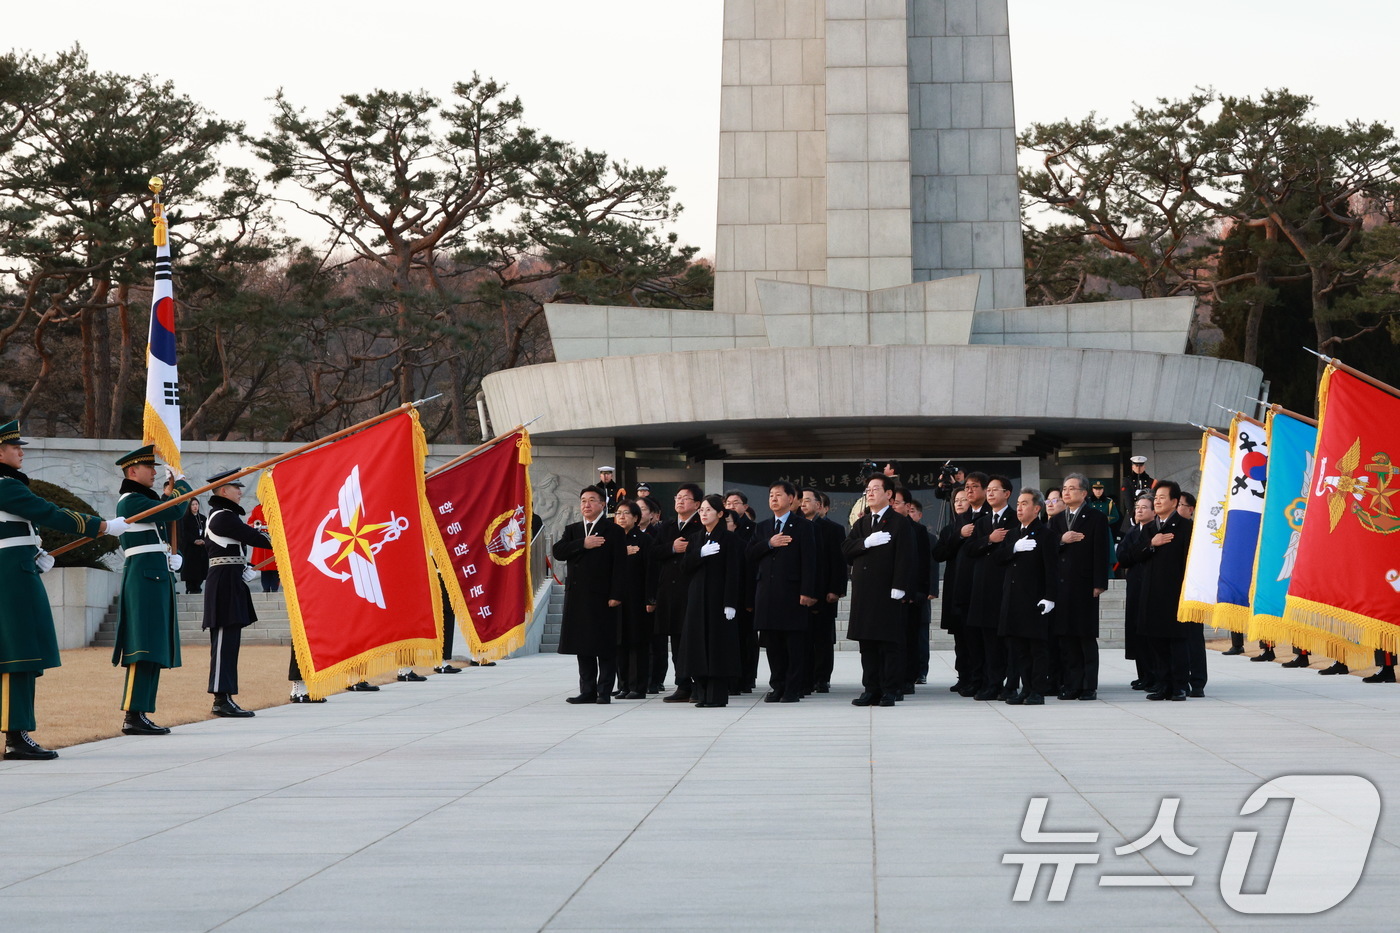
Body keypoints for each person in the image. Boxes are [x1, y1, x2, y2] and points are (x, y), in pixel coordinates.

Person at [0, 420, 121, 759]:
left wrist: (33, 552)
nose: (21, 452)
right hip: (12, 577)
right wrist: (102, 526)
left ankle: (17, 732)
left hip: (18, 570)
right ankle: (15, 736)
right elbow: (49, 511)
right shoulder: (5, 485)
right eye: (14, 447)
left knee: (21, 653)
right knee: (17, 655)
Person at [112, 445, 191, 735]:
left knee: (153, 647)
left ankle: (141, 711)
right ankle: (133, 715)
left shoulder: (142, 500)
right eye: (150, 468)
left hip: (155, 576)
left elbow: (166, 511)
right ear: (133, 472)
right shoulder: (131, 501)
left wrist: (168, 554)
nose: (155, 473)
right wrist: (181, 483)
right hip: (144, 579)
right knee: (141, 647)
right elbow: (175, 510)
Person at [201, 469, 271, 718]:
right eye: (235, 488)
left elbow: (239, 547)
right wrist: (286, 535)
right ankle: (220, 698)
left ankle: (226, 695)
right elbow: (254, 537)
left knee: (230, 641)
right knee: (223, 641)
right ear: (223, 491)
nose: (240, 492)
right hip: (223, 584)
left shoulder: (227, 516)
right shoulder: (223, 516)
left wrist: (245, 567)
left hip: (231, 580)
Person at [842, 475, 916, 707]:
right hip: (865, 593)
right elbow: (845, 549)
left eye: (876, 489)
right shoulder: (862, 524)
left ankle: (890, 690)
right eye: (868, 489)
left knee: (888, 644)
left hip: (887, 592)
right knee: (868, 645)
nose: (870, 493)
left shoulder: (899, 522)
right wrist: (866, 542)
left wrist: (900, 586)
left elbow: (906, 557)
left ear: (889, 494)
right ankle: (870, 689)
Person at [552, 486, 625, 704]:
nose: (586, 504)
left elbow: (620, 565)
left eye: (592, 500)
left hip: (603, 596)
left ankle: (604, 692)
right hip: (578, 596)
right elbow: (558, 551)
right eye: (583, 500)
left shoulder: (613, 530)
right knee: (582, 645)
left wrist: (616, 593)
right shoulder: (573, 530)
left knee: (604, 646)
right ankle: (587, 690)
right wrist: (583, 544)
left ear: (602, 504)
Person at [748, 481, 818, 703]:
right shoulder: (762, 527)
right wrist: (769, 543)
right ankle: (777, 685)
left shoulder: (804, 526)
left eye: (778, 495)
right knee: (773, 644)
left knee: (793, 645)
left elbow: (810, 562)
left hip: (792, 592)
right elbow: (749, 554)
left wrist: (807, 591)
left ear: (791, 499)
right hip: (767, 594)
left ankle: (792, 687)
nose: (773, 499)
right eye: (770, 495)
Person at [1126, 481, 1193, 701]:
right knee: (1156, 641)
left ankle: (1180, 686)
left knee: (1176, 641)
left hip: (1174, 593)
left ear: (1174, 502)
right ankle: (1163, 685)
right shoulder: (1150, 527)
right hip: (1150, 592)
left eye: (1162, 497)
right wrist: (1151, 543)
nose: (1157, 500)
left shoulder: (1185, 527)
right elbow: (1134, 555)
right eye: (1156, 497)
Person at [1049, 473, 1110, 701]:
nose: (1066, 492)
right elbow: (1048, 549)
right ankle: (1071, 684)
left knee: (1084, 637)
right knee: (1066, 638)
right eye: (1064, 488)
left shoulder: (1096, 518)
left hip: (1084, 585)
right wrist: (1062, 540)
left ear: (1084, 493)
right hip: (1061, 586)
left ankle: (1088, 686)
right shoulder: (1056, 520)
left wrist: (1099, 583)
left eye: (1072, 488)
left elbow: (1101, 552)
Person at [681, 494, 743, 707]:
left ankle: (716, 696)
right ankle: (702, 692)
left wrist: (730, 602)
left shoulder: (730, 538)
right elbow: (685, 566)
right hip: (698, 599)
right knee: (698, 646)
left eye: (708, 510)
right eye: (702, 510)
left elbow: (733, 572)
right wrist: (700, 553)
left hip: (719, 601)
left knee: (717, 647)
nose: (704, 513)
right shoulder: (696, 538)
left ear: (720, 513)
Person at [998, 488, 1058, 705]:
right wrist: (1014, 547)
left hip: (1035, 600)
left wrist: (1050, 597)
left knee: (1037, 648)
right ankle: (1026, 689)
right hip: (1014, 599)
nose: (1020, 507)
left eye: (1025, 503)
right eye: (1019, 503)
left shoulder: (1047, 535)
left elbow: (1052, 569)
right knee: (1019, 649)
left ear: (1037, 508)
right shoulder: (1014, 534)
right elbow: (999, 558)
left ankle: (1037, 691)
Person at [966, 475, 1017, 701]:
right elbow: (970, 548)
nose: (990, 493)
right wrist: (990, 539)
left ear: (1007, 493)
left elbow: (1013, 548)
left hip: (1005, 586)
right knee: (986, 639)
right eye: (989, 490)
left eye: (996, 490)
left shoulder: (1015, 519)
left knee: (1007, 640)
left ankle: (1010, 683)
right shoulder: (983, 522)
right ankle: (991, 682)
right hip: (983, 588)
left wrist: (995, 543)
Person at [650, 484, 702, 702]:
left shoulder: (702, 525)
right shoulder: (666, 526)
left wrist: (687, 549)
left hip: (692, 589)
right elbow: (653, 552)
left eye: (686, 498)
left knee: (694, 638)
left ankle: (699, 683)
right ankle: (682, 684)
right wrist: (672, 547)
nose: (680, 501)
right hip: (669, 592)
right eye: (677, 497)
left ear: (697, 504)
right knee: (676, 639)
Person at [938, 476, 989, 697]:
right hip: (956, 586)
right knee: (961, 636)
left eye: (963, 498)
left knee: (977, 637)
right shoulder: (954, 527)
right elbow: (939, 553)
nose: (960, 502)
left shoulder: (984, 520)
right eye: (956, 499)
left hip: (978, 585)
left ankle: (979, 678)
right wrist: (959, 535)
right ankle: (965, 676)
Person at [799, 487, 846, 693]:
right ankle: (805, 677)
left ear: (819, 505)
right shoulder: (796, 526)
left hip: (825, 592)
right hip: (801, 592)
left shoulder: (833, 529)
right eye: (801, 500)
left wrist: (836, 589)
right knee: (803, 638)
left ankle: (822, 678)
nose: (803, 504)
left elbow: (838, 562)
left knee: (823, 639)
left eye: (808, 500)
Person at [892, 488, 932, 694]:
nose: (893, 506)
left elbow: (924, 565)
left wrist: (918, 593)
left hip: (911, 597)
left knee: (910, 638)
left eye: (897, 502)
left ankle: (909, 678)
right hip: (888, 596)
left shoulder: (918, 531)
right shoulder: (883, 528)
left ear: (908, 507)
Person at [613, 501, 652, 699]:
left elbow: (650, 572)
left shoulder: (644, 540)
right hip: (615, 601)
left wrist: (650, 599)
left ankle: (638, 686)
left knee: (636, 643)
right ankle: (623, 685)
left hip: (637, 600)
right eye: (618, 513)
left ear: (636, 518)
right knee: (619, 643)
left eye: (626, 513)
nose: (621, 517)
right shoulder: (611, 540)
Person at [1116, 494, 1156, 689]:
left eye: (1144, 507)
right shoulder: (1131, 531)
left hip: (1149, 585)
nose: (1139, 510)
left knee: (1149, 630)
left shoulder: (1156, 531)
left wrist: (1137, 553)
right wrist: (1140, 552)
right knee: (1136, 629)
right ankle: (1143, 674)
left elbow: (1134, 555)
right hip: (1134, 585)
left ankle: (1154, 675)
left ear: (1154, 511)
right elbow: (1122, 557)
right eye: (1137, 507)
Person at [246, 502, 279, 593]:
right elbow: (250, 522)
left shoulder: (276, 506)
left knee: (275, 567)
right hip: (262, 541)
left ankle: (275, 588)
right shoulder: (257, 509)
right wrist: (256, 525)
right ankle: (266, 588)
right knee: (264, 567)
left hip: (274, 540)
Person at [178, 498, 208, 594]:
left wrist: (203, 540)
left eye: (196, 504)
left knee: (200, 569)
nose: (195, 506)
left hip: (201, 549)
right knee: (191, 570)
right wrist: (194, 540)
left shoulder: (203, 518)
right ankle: (190, 588)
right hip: (190, 549)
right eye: (193, 504)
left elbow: (207, 531)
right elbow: (184, 533)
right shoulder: (185, 518)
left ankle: (198, 587)